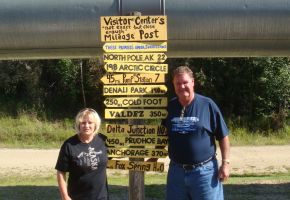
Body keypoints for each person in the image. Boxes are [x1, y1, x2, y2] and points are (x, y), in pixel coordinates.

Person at [164, 66, 230, 200]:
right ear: (173, 85)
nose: (182, 86)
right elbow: (163, 135)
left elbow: (223, 136)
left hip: (205, 173)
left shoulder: (207, 105)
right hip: (176, 173)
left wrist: (225, 164)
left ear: (192, 82)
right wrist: (151, 157)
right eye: (178, 83)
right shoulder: (170, 107)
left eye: (185, 82)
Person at [55, 108, 108, 200]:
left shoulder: (103, 140)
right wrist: (65, 197)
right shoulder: (69, 145)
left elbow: (117, 156)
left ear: (96, 124)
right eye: (83, 123)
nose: (86, 126)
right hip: (77, 196)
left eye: (90, 122)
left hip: (101, 197)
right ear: (78, 124)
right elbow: (61, 171)